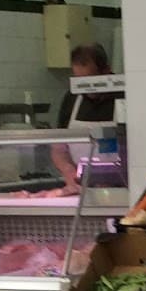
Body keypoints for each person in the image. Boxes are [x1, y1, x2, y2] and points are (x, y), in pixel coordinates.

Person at [49, 43, 115, 194]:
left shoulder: (124, 96)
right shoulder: (71, 98)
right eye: (80, 82)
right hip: (81, 188)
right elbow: (58, 148)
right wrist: (68, 170)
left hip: (120, 189)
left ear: (106, 70)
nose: (86, 89)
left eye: (91, 81)